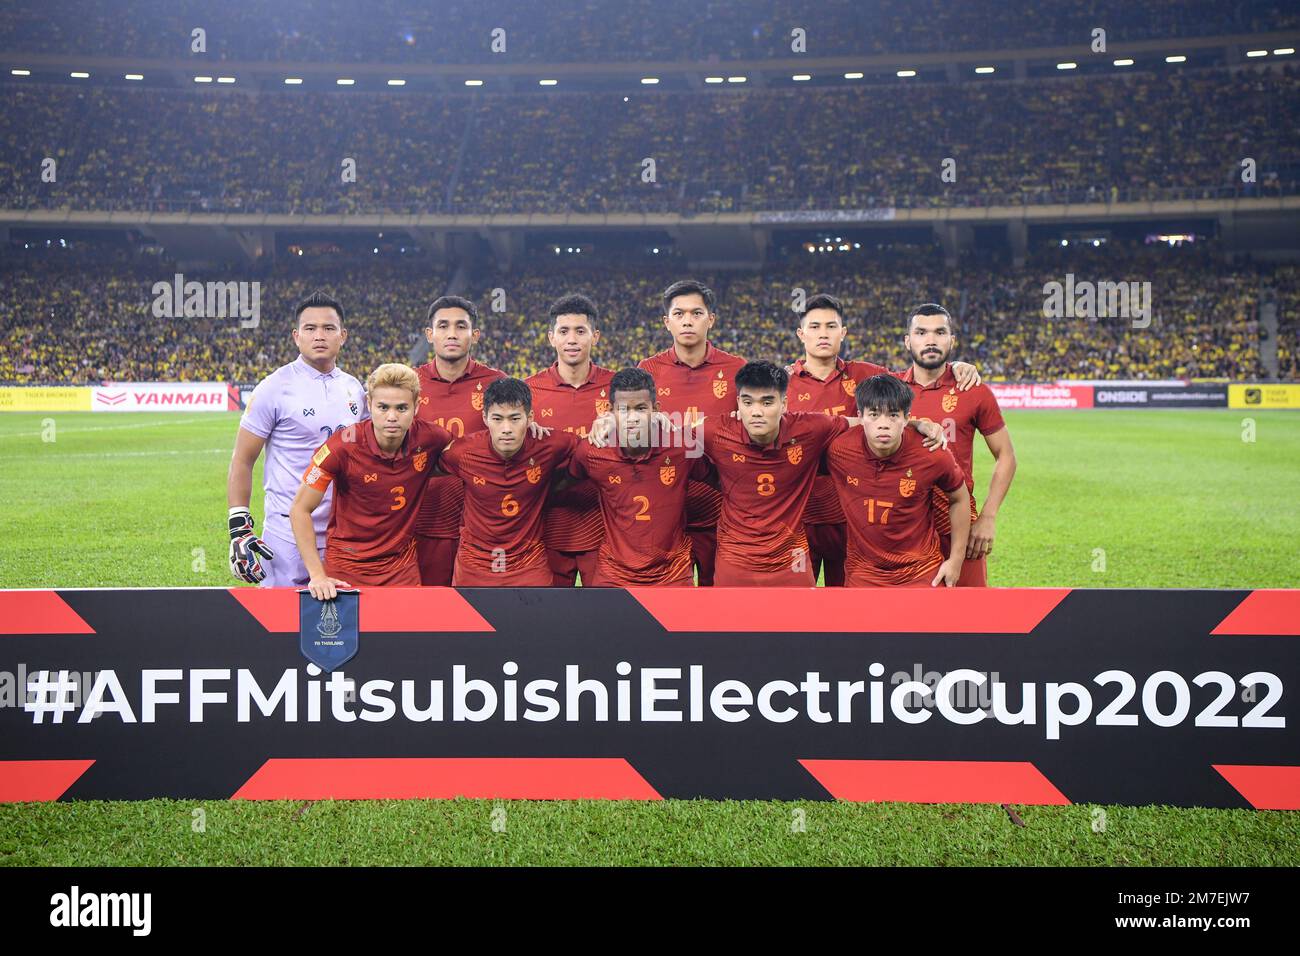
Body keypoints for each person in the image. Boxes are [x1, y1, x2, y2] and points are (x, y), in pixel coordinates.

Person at [784, 292, 982, 587]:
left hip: (852, 520)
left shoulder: (867, 375)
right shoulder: (782, 383)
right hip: (799, 516)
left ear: (843, 332)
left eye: (831, 326)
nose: (823, 334)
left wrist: (956, 368)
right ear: (801, 334)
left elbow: (904, 393)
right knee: (800, 608)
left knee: (847, 611)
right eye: (814, 327)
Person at [699, 361, 949, 586]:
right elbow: (671, 437)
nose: (756, 411)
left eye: (767, 402)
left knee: (798, 635)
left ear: (784, 404)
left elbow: (864, 422)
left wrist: (916, 423)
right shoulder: (714, 430)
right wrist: (661, 422)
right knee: (734, 635)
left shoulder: (810, 428)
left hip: (791, 562)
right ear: (738, 404)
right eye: (747, 402)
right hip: (735, 561)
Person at [227, 290, 365, 587]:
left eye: (328, 328)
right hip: (285, 534)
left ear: (343, 336)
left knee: (340, 625)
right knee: (281, 626)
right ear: (296, 336)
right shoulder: (273, 388)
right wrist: (239, 527)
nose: (319, 335)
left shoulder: (354, 389)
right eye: (310, 328)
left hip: (341, 532)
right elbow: (242, 459)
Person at [290, 363, 453, 597]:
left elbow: (470, 456)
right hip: (346, 566)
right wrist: (317, 575)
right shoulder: (342, 446)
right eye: (383, 407)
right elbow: (299, 509)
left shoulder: (431, 438)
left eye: (402, 408)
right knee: (344, 634)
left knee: (406, 633)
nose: (392, 417)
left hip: (400, 568)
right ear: (369, 404)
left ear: (417, 406)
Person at [638, 279, 746, 586]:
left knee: (720, 608)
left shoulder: (738, 369)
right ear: (666, 322)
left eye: (696, 313)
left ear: (711, 319)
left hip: (722, 511)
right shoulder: (648, 370)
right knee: (670, 605)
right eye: (679, 313)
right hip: (666, 513)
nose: (687, 320)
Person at [899, 303, 1016, 586]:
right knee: (908, 622)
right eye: (921, 332)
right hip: (903, 527)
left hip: (959, 523)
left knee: (972, 621)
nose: (930, 340)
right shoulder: (890, 391)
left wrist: (988, 517)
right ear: (907, 341)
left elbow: (1006, 456)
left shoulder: (972, 390)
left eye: (940, 332)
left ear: (952, 340)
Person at [567, 368, 709, 587]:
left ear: (656, 410)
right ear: (610, 412)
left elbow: (717, 478)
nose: (633, 418)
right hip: (614, 575)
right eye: (624, 410)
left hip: (673, 574)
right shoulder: (592, 451)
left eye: (641, 409)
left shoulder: (682, 447)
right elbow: (565, 481)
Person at [827, 374, 971, 588]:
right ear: (860, 416)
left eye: (893, 415)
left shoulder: (931, 452)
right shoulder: (838, 450)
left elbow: (959, 498)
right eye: (874, 415)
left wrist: (956, 560)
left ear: (906, 418)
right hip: (864, 572)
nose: (883, 424)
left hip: (921, 570)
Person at [438, 378, 578, 587]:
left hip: (528, 564)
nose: (506, 428)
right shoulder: (462, 452)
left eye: (515, 419)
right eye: (497, 418)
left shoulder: (551, 444)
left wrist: (609, 424)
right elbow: (423, 468)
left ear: (530, 417)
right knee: (467, 621)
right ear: (485, 418)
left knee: (538, 620)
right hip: (474, 564)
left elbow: (589, 453)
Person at [412, 295, 505, 586]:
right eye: (443, 326)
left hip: (482, 525)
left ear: (474, 335)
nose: (452, 333)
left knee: (482, 618)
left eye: (461, 326)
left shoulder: (497, 383)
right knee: (428, 617)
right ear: (430, 334)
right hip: (423, 522)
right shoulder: (410, 384)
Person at [524, 293, 614, 586]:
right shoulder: (529, 391)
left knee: (605, 617)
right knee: (549, 621)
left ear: (595, 336)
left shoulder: (618, 389)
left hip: (605, 528)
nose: (572, 339)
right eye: (564, 331)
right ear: (551, 337)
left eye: (580, 331)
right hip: (546, 528)